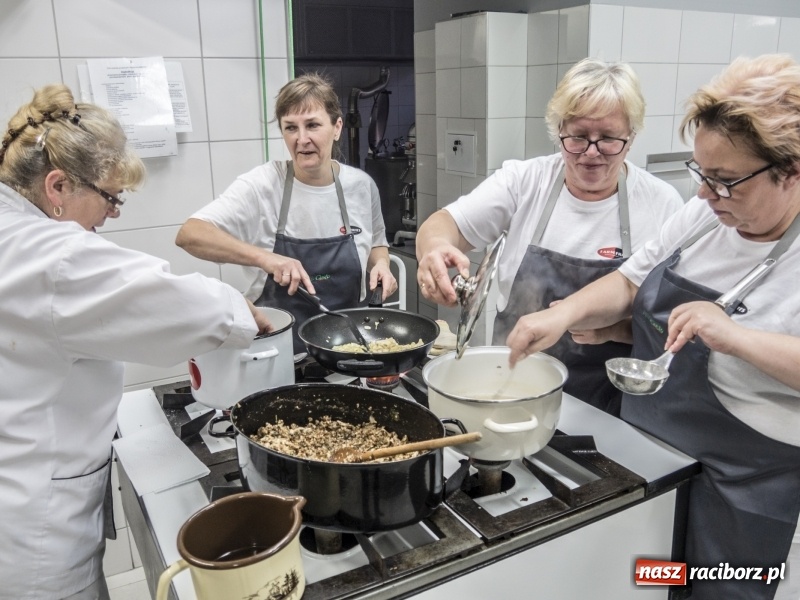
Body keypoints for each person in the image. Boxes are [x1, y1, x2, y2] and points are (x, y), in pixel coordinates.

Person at [504, 54, 800, 600]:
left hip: (742, 479)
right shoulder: (704, 216)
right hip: (645, 446)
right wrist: (562, 314)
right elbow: (629, 281)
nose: (707, 196)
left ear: (791, 171)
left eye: (726, 181)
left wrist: (736, 336)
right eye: (701, 174)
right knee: (643, 576)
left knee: (718, 589)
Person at [0, 85, 271, 599]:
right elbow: (171, 304)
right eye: (110, 197)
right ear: (57, 186)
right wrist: (244, 313)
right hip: (29, 534)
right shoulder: (49, 256)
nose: (114, 213)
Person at [415, 58, 683, 415]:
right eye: (577, 137)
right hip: (513, 385)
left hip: (610, 399)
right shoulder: (524, 182)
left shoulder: (661, 205)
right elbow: (444, 223)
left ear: (631, 138)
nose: (591, 152)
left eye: (608, 139)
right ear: (558, 131)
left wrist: (615, 330)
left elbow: (671, 324)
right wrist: (434, 250)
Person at [176, 72, 397, 353]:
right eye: (291, 128)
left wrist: (381, 264)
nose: (302, 139)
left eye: (313, 125)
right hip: (277, 348)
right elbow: (190, 234)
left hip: (348, 347)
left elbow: (377, 240)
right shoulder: (262, 184)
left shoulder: (361, 186)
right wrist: (267, 259)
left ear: (337, 127)